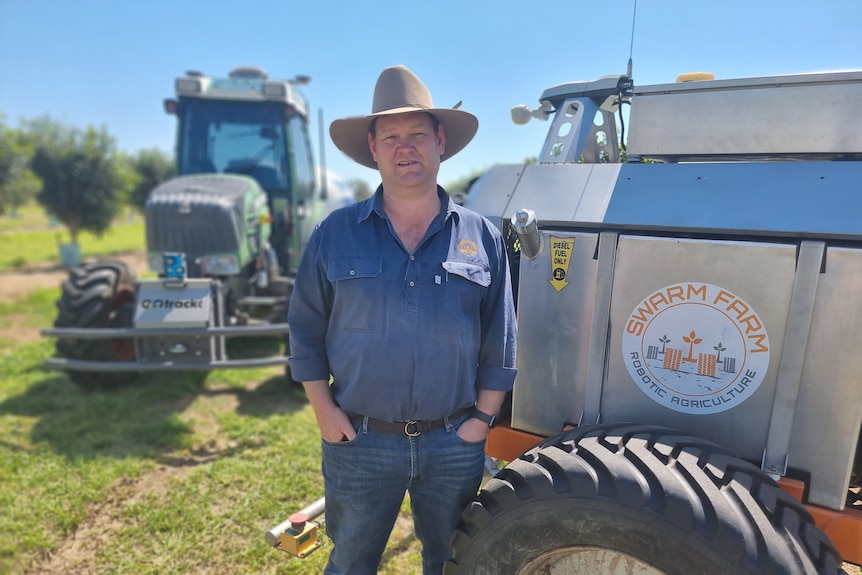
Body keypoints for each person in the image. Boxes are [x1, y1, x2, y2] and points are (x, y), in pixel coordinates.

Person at [287, 65, 517, 575]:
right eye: (390, 136)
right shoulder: (335, 233)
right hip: (360, 442)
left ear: (440, 141)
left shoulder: (483, 236)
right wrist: (325, 412)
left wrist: (481, 421)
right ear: (373, 148)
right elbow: (305, 329)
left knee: (453, 561)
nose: (404, 147)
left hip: (453, 441)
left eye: (416, 134)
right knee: (350, 562)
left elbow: (500, 339)